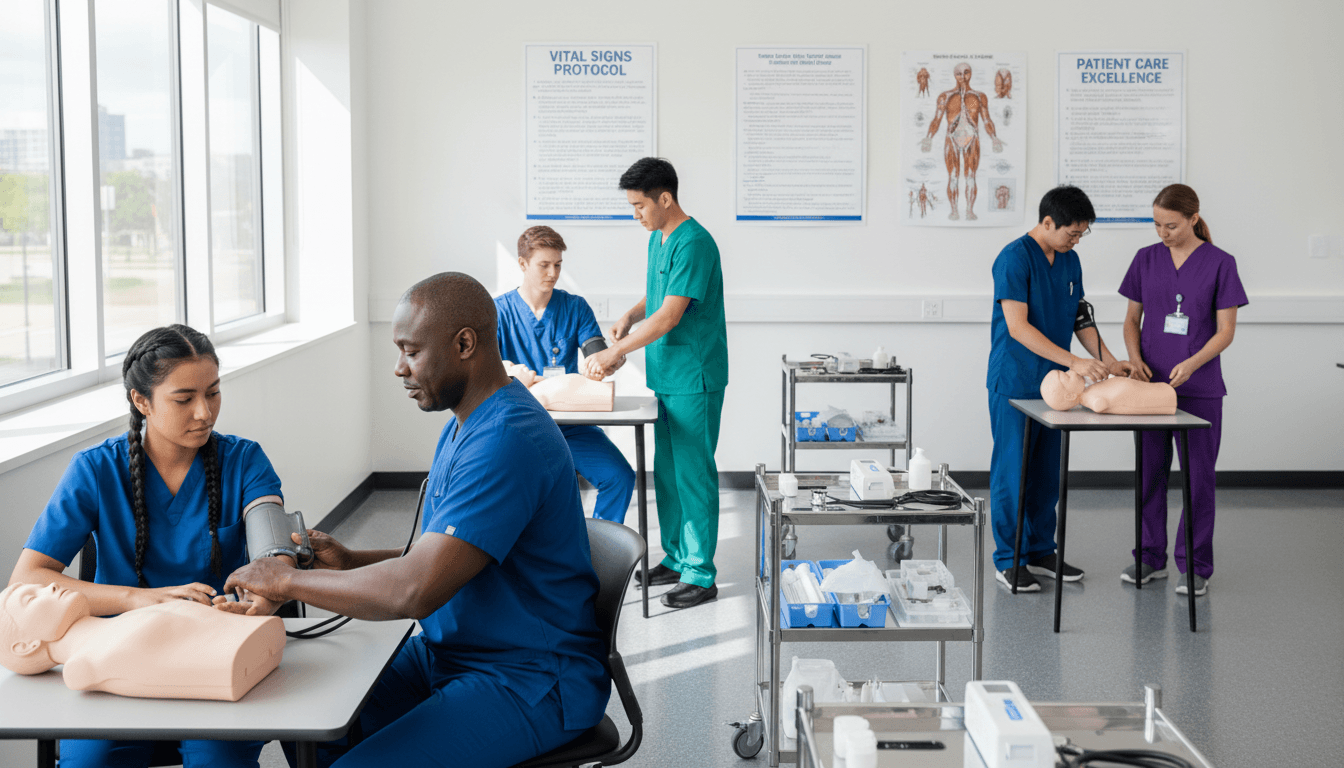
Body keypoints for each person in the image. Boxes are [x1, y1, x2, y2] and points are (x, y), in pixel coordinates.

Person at [218, 273, 610, 768]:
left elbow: (415, 590)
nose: (399, 368)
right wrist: (350, 561)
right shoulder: (465, 424)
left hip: (528, 676)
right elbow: (443, 554)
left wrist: (290, 580)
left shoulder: (506, 440)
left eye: (411, 351)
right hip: (457, 653)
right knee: (316, 728)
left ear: (464, 343)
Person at [7, 324, 286, 767]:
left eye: (213, 393)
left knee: (219, 761)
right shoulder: (96, 471)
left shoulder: (244, 459)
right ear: (141, 401)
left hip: (216, 650)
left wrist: (269, 589)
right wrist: (138, 600)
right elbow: (28, 578)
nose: (204, 412)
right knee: (89, 763)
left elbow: (275, 550)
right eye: (184, 398)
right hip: (115, 652)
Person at [583, 157, 728, 611]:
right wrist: (630, 313)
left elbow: (671, 314)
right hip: (666, 374)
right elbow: (658, 297)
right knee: (666, 474)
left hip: (694, 376)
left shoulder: (696, 243)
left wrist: (615, 352)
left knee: (693, 475)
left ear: (665, 199)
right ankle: (678, 557)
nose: (636, 215)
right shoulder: (659, 238)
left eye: (639, 205)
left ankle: (701, 575)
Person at [987, 186, 1134, 593]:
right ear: (1047, 222)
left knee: (1046, 473)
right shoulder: (1014, 258)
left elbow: (1080, 318)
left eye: (1081, 235)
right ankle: (1009, 559)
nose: (1075, 240)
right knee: (1013, 471)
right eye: (1072, 232)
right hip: (1015, 380)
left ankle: (1039, 550)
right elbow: (1018, 327)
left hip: (1059, 386)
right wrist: (1074, 361)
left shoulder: (1070, 261)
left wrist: (1107, 359)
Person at [1118, 184, 1247, 597]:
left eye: (1170, 225)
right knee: (1149, 476)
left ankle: (1195, 566)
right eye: (1156, 224)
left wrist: (1192, 364)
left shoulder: (1221, 263)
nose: (1163, 232)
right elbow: (1130, 321)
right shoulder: (1145, 260)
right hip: (1151, 388)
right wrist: (1134, 358)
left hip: (1200, 389)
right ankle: (1149, 558)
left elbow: (1226, 331)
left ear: (1193, 218)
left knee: (1197, 479)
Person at [495, 225, 636, 523]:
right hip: (520, 427)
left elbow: (596, 353)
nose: (553, 273)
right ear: (522, 264)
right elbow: (487, 371)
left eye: (558, 265)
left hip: (570, 426)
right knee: (526, 494)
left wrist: (610, 361)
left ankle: (602, 554)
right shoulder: (498, 312)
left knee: (619, 477)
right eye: (543, 265)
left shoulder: (575, 308)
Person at [0, 582, 284, 702]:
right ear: (25, 646)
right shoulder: (83, 667)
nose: (49, 586)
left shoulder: (114, 627)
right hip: (237, 661)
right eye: (31, 598)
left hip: (251, 638)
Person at [920, 62, 1002, 221]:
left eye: (966, 72)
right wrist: (929, 137)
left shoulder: (979, 96)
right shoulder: (945, 96)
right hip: (952, 138)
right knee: (953, 176)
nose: (963, 77)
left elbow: (986, 120)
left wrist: (994, 138)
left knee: (971, 176)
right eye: (959, 73)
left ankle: (969, 211)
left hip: (972, 138)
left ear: (971, 73)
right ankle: (954, 211)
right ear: (954, 75)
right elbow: (936, 119)